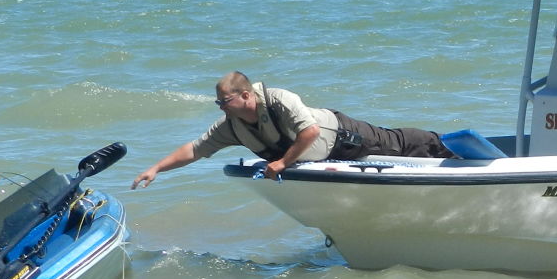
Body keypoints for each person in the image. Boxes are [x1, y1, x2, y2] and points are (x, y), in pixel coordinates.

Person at [130, 71, 452, 188]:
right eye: (218, 103)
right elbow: (195, 150)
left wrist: (283, 164)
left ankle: (446, 147)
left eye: (224, 101)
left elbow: (310, 132)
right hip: (323, 158)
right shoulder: (232, 125)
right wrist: (156, 168)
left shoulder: (280, 99)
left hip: (342, 135)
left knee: (396, 143)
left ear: (245, 95)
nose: (221, 107)